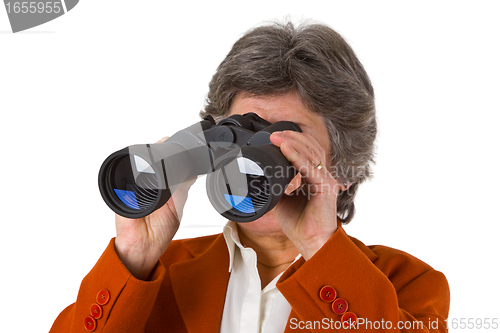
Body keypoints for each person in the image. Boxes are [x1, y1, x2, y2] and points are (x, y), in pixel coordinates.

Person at [50, 21, 450, 332]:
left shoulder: (409, 284)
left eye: (286, 142)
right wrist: (134, 257)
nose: (251, 160)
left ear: (343, 168)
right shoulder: (158, 276)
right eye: (242, 135)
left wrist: (318, 244)